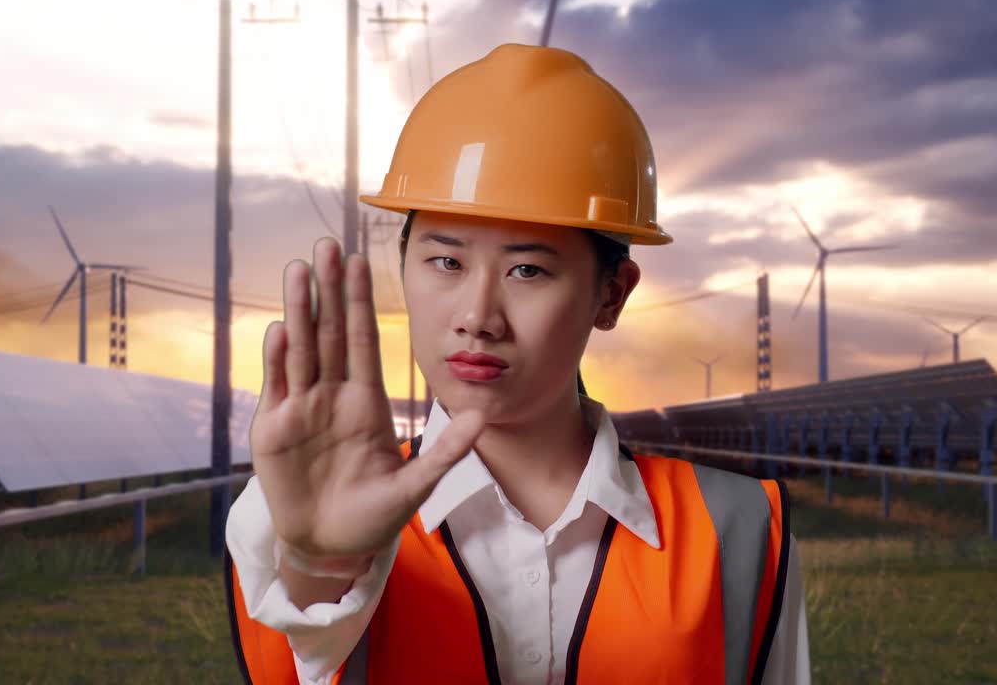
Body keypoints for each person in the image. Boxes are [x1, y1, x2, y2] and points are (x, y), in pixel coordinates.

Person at [224, 43, 810, 685]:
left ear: (611, 294)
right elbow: (302, 639)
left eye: (527, 269)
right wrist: (321, 565)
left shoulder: (738, 529)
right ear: (404, 266)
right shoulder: (299, 511)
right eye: (446, 262)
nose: (478, 316)